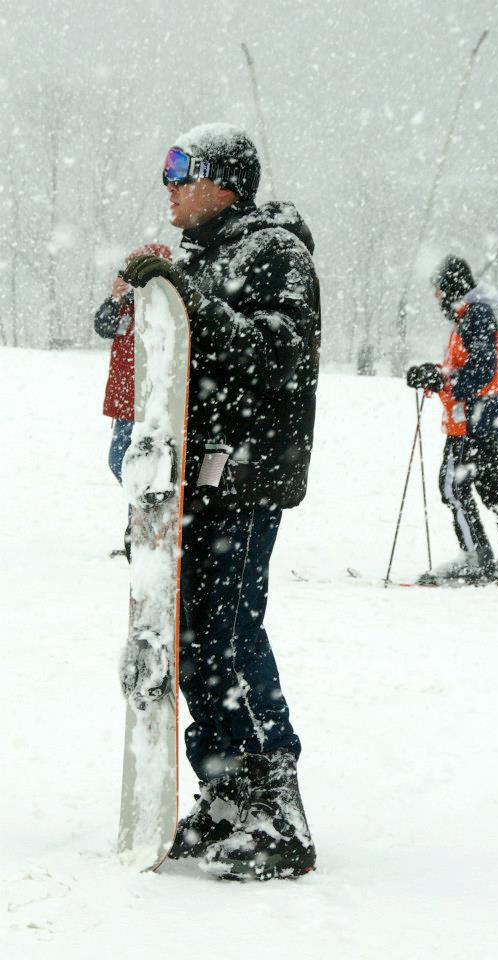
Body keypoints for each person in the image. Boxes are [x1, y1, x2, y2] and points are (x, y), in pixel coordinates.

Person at [121, 123, 320, 880]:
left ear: (224, 180)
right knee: (195, 641)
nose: (169, 184)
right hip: (192, 484)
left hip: (242, 479)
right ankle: (224, 789)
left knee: (231, 635)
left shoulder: (276, 253)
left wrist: (192, 298)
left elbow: (279, 357)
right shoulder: (208, 255)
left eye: (182, 171)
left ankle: (275, 805)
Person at [406, 254, 498, 585]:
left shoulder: (475, 316)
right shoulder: (470, 316)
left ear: (451, 286)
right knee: (491, 487)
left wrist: (443, 380)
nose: (436, 297)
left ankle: (475, 556)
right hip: (481, 418)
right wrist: (434, 374)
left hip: (472, 420)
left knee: (453, 486)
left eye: (438, 289)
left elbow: (483, 370)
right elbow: (468, 369)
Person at [94, 244, 172, 556]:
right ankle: (138, 528)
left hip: (152, 405)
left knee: (141, 468)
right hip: (127, 402)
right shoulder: (125, 306)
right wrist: (115, 298)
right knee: (121, 461)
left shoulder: (165, 309)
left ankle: (140, 533)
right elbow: (102, 326)